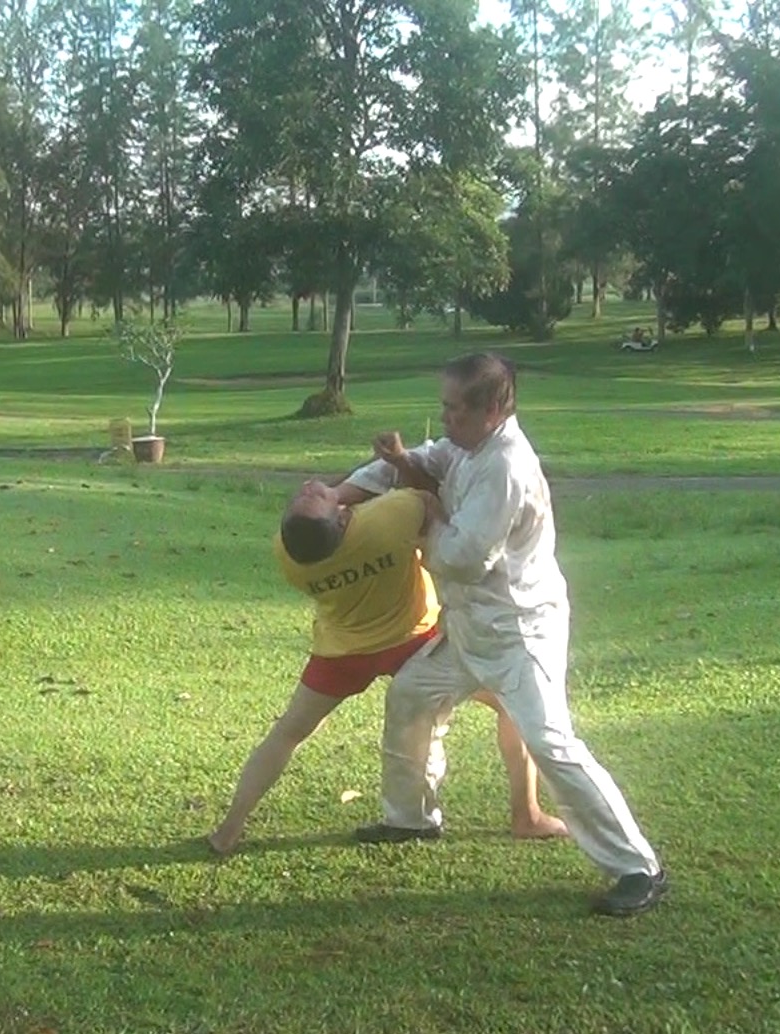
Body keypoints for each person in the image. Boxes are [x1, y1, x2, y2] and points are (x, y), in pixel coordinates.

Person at [342, 352, 668, 917]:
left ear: (491, 409)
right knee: (412, 696)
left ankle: (638, 867)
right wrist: (338, 494)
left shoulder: (507, 466)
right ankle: (411, 819)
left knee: (551, 743)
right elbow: (420, 460)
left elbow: (466, 556)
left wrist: (422, 516)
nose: (444, 418)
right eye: (442, 406)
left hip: (521, 632)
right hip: (470, 626)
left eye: (454, 408)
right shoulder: (468, 448)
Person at [206, 477, 568, 856]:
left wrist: (336, 499)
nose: (309, 486)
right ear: (344, 519)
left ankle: (229, 830)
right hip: (414, 640)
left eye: (304, 496)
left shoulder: (289, 554)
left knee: (289, 732)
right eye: (315, 497)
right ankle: (526, 814)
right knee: (512, 705)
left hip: (343, 649)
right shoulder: (386, 519)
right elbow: (422, 495)